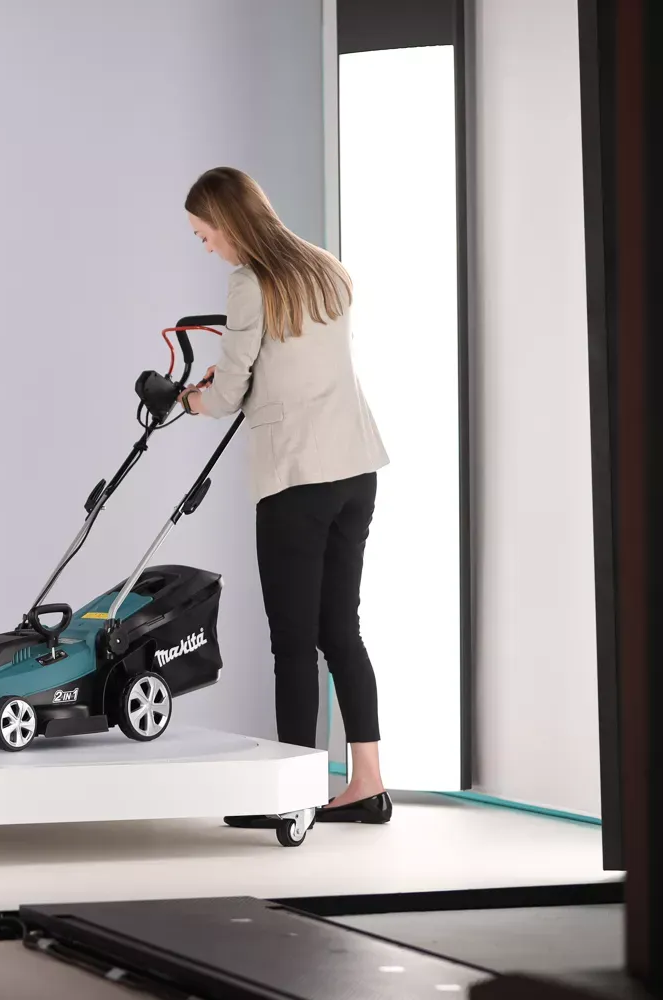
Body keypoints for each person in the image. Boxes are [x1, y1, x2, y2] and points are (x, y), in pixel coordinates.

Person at [178, 167, 392, 825]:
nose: (205, 246)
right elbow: (298, 360)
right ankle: (368, 784)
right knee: (341, 632)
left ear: (229, 223)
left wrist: (191, 399)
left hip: (296, 477)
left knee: (293, 644)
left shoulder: (250, 284)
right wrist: (244, 374)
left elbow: (228, 392)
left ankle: (290, 799)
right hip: (355, 468)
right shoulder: (326, 268)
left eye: (204, 233)